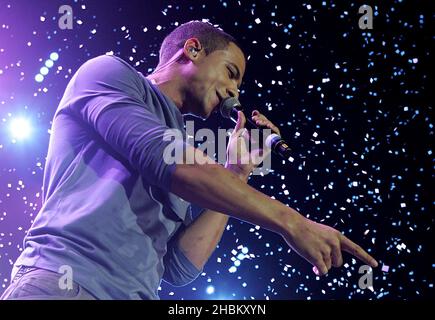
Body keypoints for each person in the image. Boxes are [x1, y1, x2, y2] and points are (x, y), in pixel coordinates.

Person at [1, 20, 377, 300]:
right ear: (193, 50)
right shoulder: (109, 74)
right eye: (231, 73)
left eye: (239, 86)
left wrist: (238, 173)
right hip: (63, 283)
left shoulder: (188, 150)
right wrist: (291, 222)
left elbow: (179, 268)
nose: (234, 90)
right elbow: (161, 158)